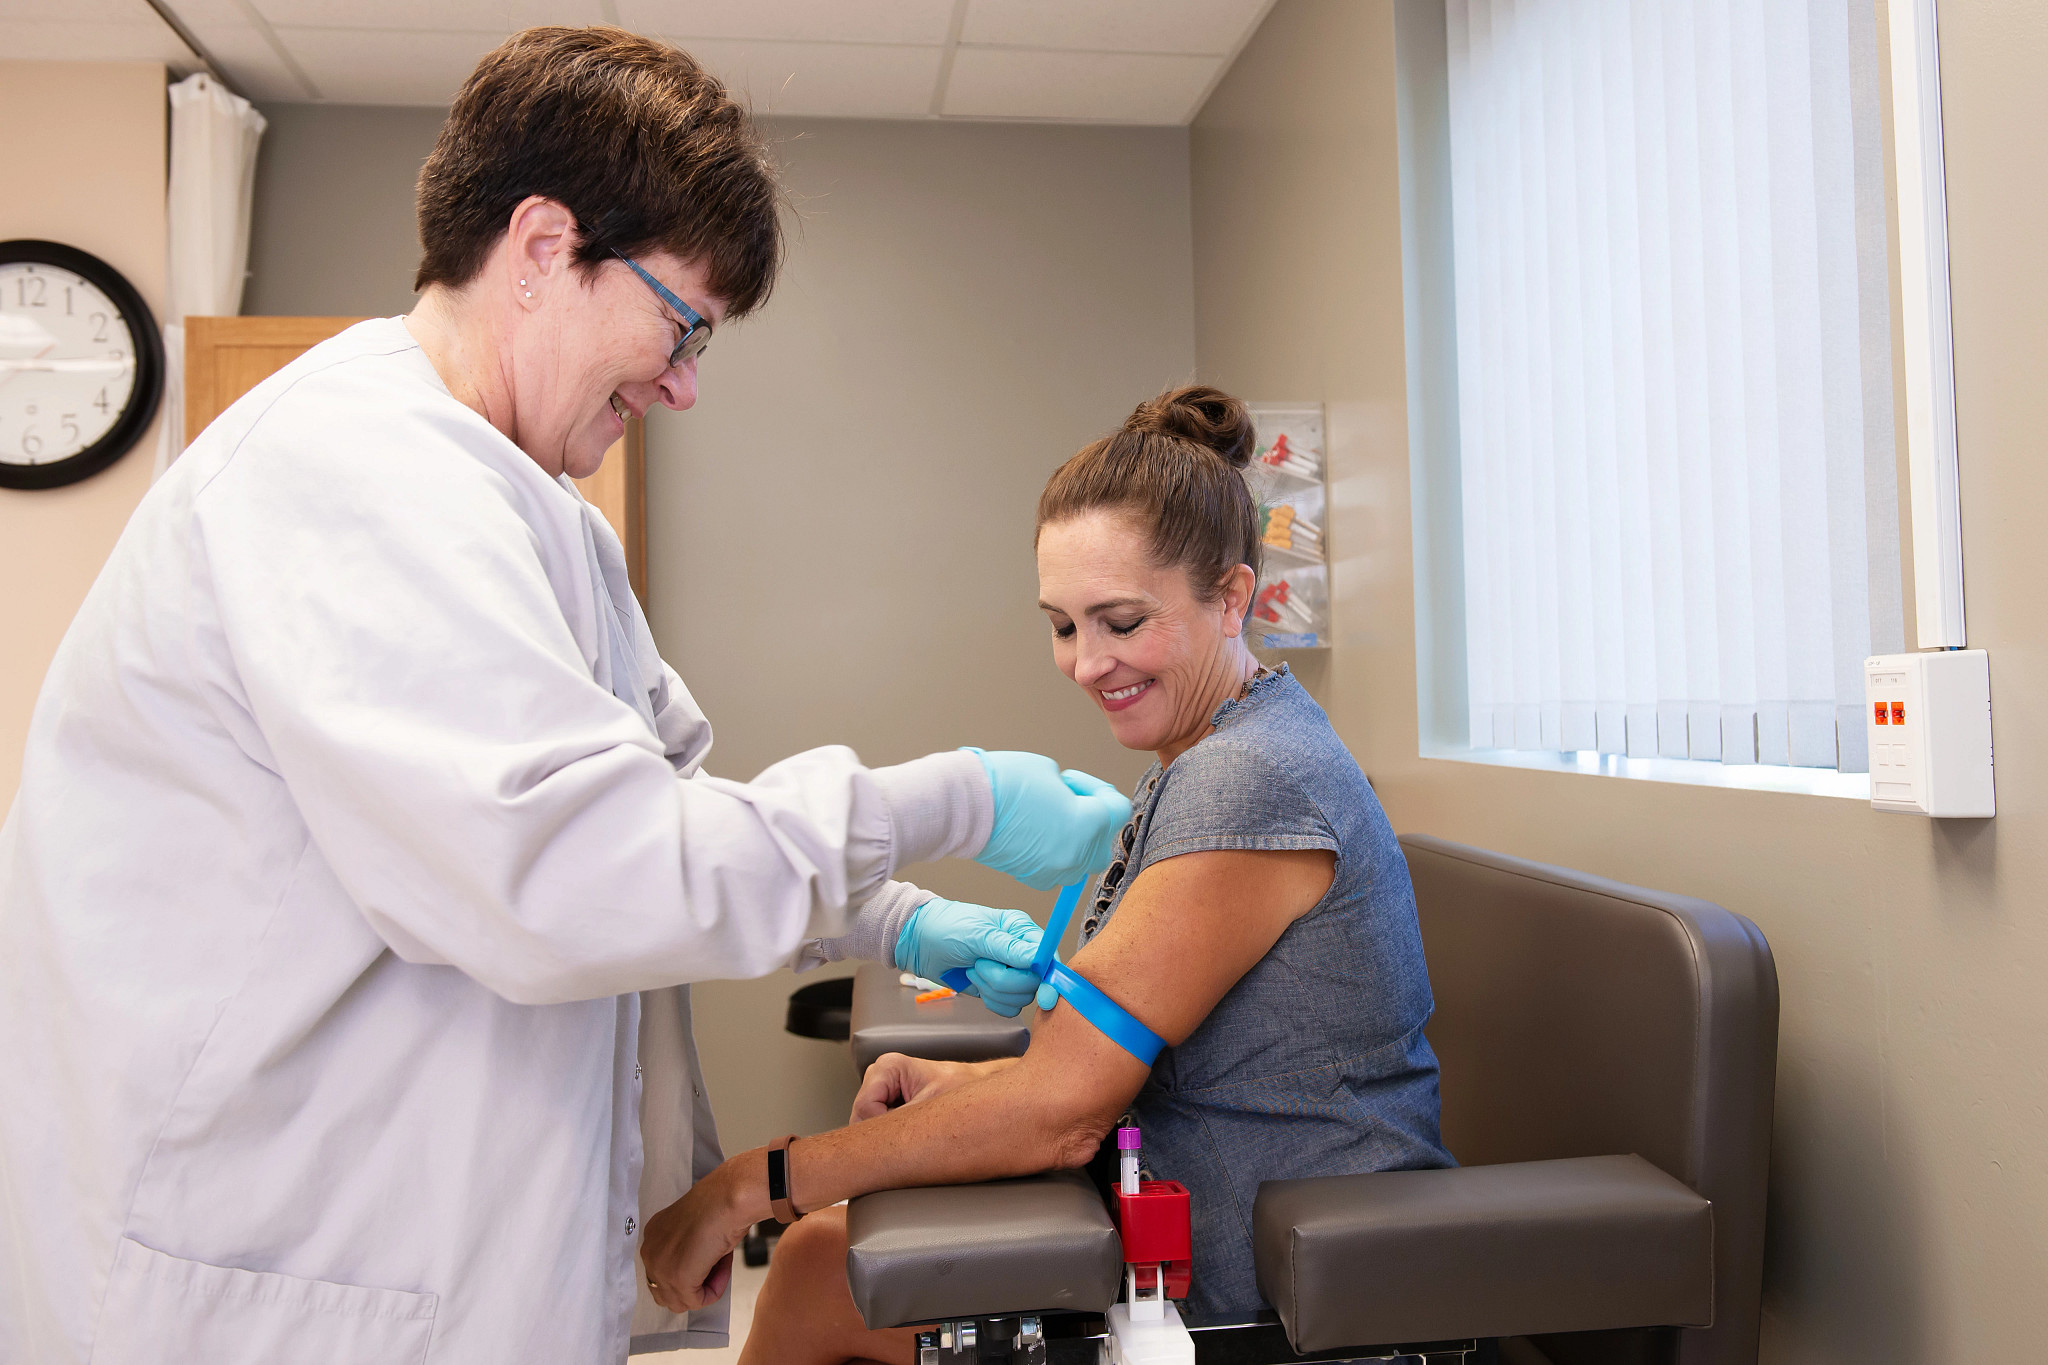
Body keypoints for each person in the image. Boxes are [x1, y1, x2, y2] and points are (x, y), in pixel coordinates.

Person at [0, 28, 1129, 1365]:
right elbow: (575, 873)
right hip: (284, 1266)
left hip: (425, 1239)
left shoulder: (533, 513)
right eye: (681, 323)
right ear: (544, 247)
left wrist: (896, 914)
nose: (686, 384)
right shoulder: (350, 472)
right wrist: (960, 797)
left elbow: (656, 819)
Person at [639, 386, 1454, 1361]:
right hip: (1161, 1222)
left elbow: (1063, 1115)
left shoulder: (1251, 781)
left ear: (1232, 597)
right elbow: (1107, 1073)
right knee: (823, 1263)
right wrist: (964, 1082)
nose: (1083, 663)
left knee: (814, 1268)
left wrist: (753, 1183)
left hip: (1268, 1305)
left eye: (1118, 621)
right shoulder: (1219, 754)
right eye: (1063, 625)